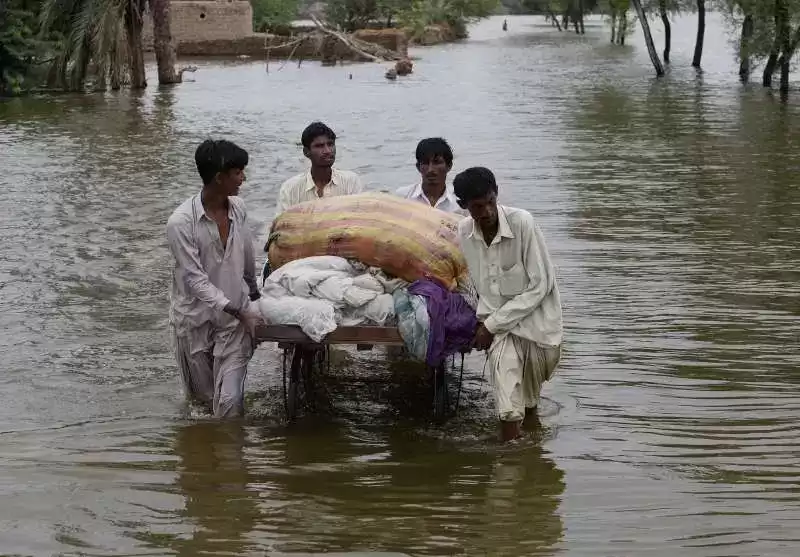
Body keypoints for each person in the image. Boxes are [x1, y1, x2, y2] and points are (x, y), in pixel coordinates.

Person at [453, 167, 563, 442]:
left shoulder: (522, 222)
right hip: (501, 331)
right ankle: (510, 460)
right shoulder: (464, 231)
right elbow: (479, 284)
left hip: (538, 326)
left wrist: (490, 324)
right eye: (478, 207)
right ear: (463, 207)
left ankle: (533, 455)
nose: (487, 212)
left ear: (496, 194)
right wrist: (482, 323)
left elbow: (541, 285)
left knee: (528, 400)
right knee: (507, 405)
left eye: (490, 202)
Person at [166, 139, 263, 418]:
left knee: (229, 403)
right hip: (194, 321)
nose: (242, 178)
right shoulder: (181, 223)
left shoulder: (238, 208)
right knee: (204, 405)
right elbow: (195, 280)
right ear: (219, 178)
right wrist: (240, 310)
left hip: (234, 320)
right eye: (237, 173)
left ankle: (233, 457)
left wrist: (254, 295)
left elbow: (246, 251)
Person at [275, 121, 364, 214]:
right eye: (319, 146)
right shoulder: (290, 189)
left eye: (330, 144)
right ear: (306, 152)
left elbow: (358, 220)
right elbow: (281, 225)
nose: (327, 151)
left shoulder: (351, 181)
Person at [395, 137, 464, 215]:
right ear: (418, 167)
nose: (430, 169)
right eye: (425, 163)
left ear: (449, 166)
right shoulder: (402, 197)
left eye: (437, 162)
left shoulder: (460, 203)